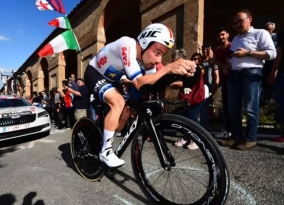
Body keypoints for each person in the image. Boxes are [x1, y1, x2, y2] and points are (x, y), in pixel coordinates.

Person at [84, 23, 196, 167]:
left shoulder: (145, 61)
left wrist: (181, 75)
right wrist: (168, 68)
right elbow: (138, 83)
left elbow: (151, 83)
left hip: (113, 78)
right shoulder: (127, 44)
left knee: (125, 112)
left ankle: (106, 133)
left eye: (162, 55)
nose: (159, 60)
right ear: (144, 43)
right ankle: (105, 152)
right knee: (118, 102)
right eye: (157, 53)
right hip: (95, 73)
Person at [221, 9, 276, 150]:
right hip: (234, 75)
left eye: (240, 21)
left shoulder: (260, 33)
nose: (237, 25)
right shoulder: (236, 38)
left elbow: (271, 53)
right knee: (233, 108)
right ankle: (237, 137)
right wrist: (228, 65)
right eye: (235, 23)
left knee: (251, 109)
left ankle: (251, 139)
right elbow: (235, 56)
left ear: (250, 19)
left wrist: (248, 52)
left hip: (251, 73)